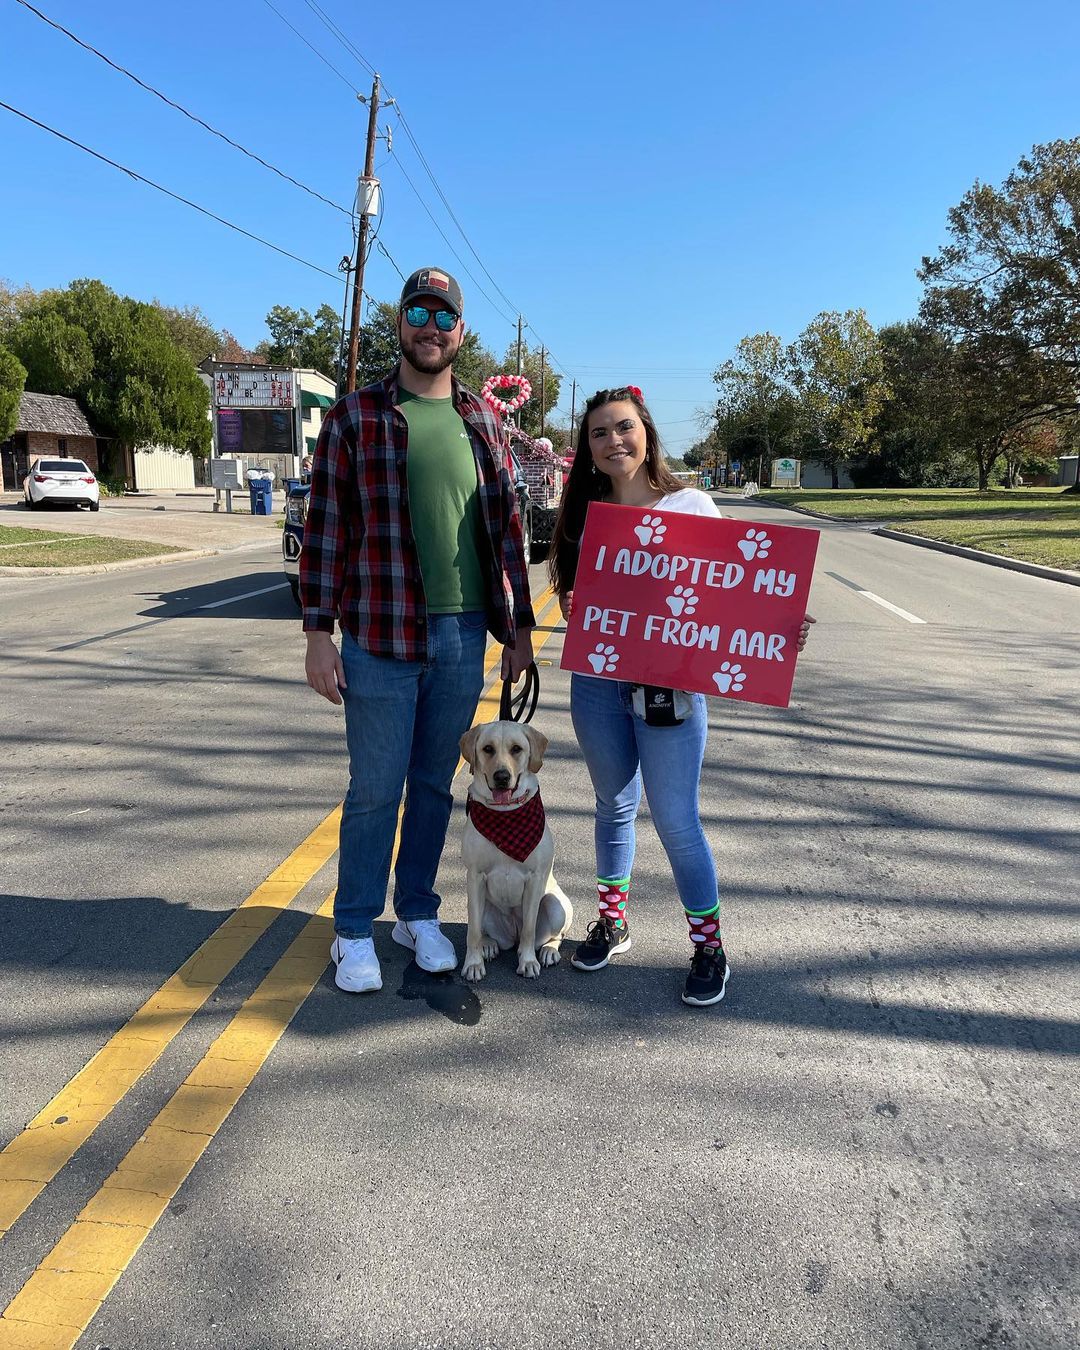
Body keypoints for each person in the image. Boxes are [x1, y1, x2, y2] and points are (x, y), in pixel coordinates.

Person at [301, 267, 535, 994]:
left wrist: (520, 626)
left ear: (460, 331)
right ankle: (353, 930)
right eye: (418, 313)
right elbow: (326, 531)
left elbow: (507, 530)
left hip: (464, 635)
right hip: (378, 633)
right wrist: (317, 633)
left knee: (435, 784)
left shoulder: (484, 420)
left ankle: (418, 913)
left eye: (444, 315)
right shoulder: (355, 417)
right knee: (375, 787)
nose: (430, 327)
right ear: (399, 323)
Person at [549, 386, 814, 1008]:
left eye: (623, 428)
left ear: (646, 431)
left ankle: (708, 943)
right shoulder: (585, 513)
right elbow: (576, 594)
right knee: (612, 803)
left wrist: (777, 625)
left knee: (676, 819)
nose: (613, 441)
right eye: (598, 434)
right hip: (597, 683)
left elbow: (736, 590)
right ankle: (613, 921)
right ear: (587, 449)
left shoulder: (691, 502)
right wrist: (574, 608)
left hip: (668, 687)